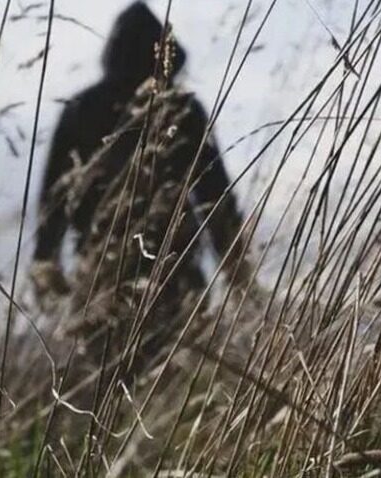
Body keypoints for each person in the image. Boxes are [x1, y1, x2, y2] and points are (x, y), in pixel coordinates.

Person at [31, 2, 250, 354]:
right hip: (174, 273)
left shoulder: (80, 110)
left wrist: (46, 260)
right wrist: (236, 267)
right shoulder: (183, 110)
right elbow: (215, 196)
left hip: (99, 276)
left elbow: (54, 200)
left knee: (106, 369)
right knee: (173, 370)